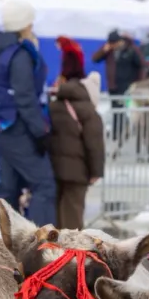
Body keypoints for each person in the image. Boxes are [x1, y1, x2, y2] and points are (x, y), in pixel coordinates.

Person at [0, 0, 54, 222]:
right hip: (16, 128)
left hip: (2, 126)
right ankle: (41, 243)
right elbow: (25, 97)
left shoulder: (1, 52)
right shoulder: (20, 55)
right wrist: (41, 131)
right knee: (45, 184)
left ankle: (1, 242)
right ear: (24, 25)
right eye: (30, 22)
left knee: (9, 186)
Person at [47, 36, 103, 229]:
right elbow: (94, 142)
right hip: (78, 172)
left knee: (56, 218)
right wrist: (96, 171)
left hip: (54, 169)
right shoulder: (87, 109)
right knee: (73, 220)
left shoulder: (54, 105)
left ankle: (53, 255)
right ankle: (71, 257)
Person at [93, 30, 144, 96]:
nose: (113, 46)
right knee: (115, 105)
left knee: (127, 105)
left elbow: (142, 65)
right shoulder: (108, 49)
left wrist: (139, 82)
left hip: (128, 85)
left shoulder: (131, 49)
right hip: (113, 85)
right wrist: (103, 51)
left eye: (114, 44)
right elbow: (95, 59)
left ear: (120, 41)